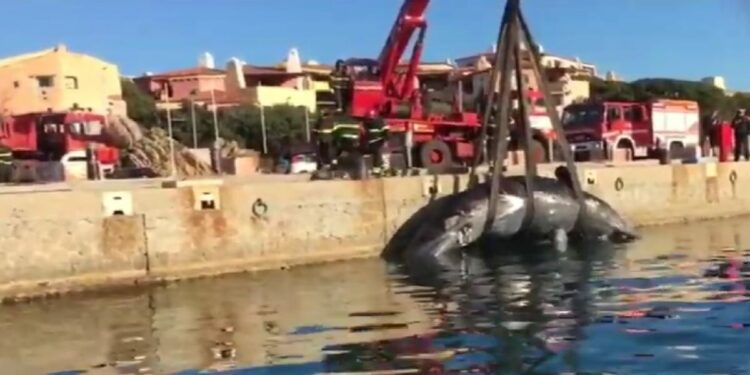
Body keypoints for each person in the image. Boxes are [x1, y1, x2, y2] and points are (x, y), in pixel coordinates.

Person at [363, 109, 389, 174]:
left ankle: (380, 168)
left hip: (378, 141)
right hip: (372, 142)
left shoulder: (380, 122)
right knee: (377, 152)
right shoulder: (366, 123)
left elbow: (386, 131)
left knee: (378, 152)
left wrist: (386, 139)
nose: (370, 121)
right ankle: (380, 167)